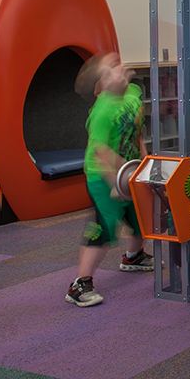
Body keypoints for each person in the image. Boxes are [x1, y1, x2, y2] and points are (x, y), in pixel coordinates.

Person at [66, 52, 153, 308]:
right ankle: (80, 284)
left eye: (118, 63)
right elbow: (100, 151)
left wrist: (144, 163)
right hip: (104, 178)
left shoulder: (134, 93)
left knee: (142, 218)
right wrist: (117, 181)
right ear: (100, 85)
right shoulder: (102, 112)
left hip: (130, 172)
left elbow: (137, 131)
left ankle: (133, 257)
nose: (121, 67)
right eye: (112, 69)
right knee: (104, 228)